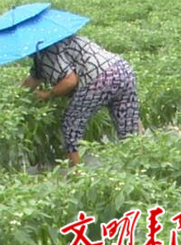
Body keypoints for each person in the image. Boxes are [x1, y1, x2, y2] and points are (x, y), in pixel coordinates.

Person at [22, 34, 142, 166]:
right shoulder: (61, 37)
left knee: (70, 124)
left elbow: (70, 81)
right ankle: (140, 164)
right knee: (129, 127)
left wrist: (47, 94)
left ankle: (78, 174)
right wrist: (19, 94)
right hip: (122, 69)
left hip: (100, 78)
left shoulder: (47, 52)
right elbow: (34, 79)